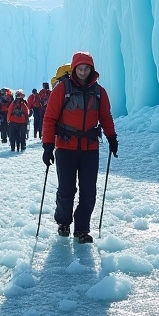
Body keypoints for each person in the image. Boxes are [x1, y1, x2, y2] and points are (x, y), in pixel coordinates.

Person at [41, 52, 118, 244]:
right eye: (80, 68)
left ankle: (82, 229)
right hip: (65, 147)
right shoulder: (62, 89)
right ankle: (64, 222)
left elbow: (105, 117)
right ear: (73, 69)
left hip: (90, 148)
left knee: (88, 191)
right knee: (66, 190)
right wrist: (48, 145)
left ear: (92, 70)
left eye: (87, 68)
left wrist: (112, 137)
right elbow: (50, 118)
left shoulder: (99, 92)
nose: (83, 72)